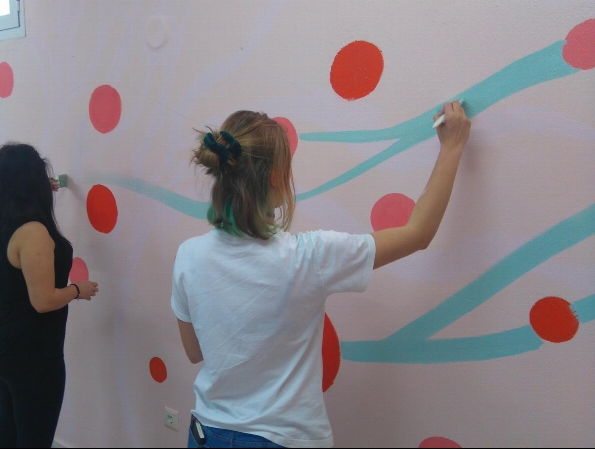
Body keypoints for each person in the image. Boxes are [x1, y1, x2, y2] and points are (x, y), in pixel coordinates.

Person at [172, 103, 471, 448]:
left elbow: (195, 351)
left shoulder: (188, 255)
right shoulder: (307, 257)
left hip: (207, 434)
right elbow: (418, 233)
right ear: (274, 177)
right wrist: (452, 147)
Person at [0, 143, 99, 448]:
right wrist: (78, 290)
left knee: (9, 427)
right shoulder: (33, 232)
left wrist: (39, 190)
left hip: (4, 343)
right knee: (33, 439)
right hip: (32, 354)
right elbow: (43, 301)